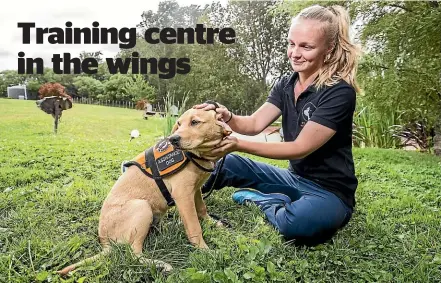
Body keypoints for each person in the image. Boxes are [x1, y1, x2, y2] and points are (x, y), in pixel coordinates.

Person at [193, 5, 362, 245]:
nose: (295, 53)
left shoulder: (339, 92)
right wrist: (227, 115)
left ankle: (263, 200)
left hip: (330, 192)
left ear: (329, 49)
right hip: (294, 178)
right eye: (292, 43)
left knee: (297, 224)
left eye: (306, 46)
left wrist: (237, 144)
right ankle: (164, 187)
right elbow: (254, 124)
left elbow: (299, 148)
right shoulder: (285, 84)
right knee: (225, 163)